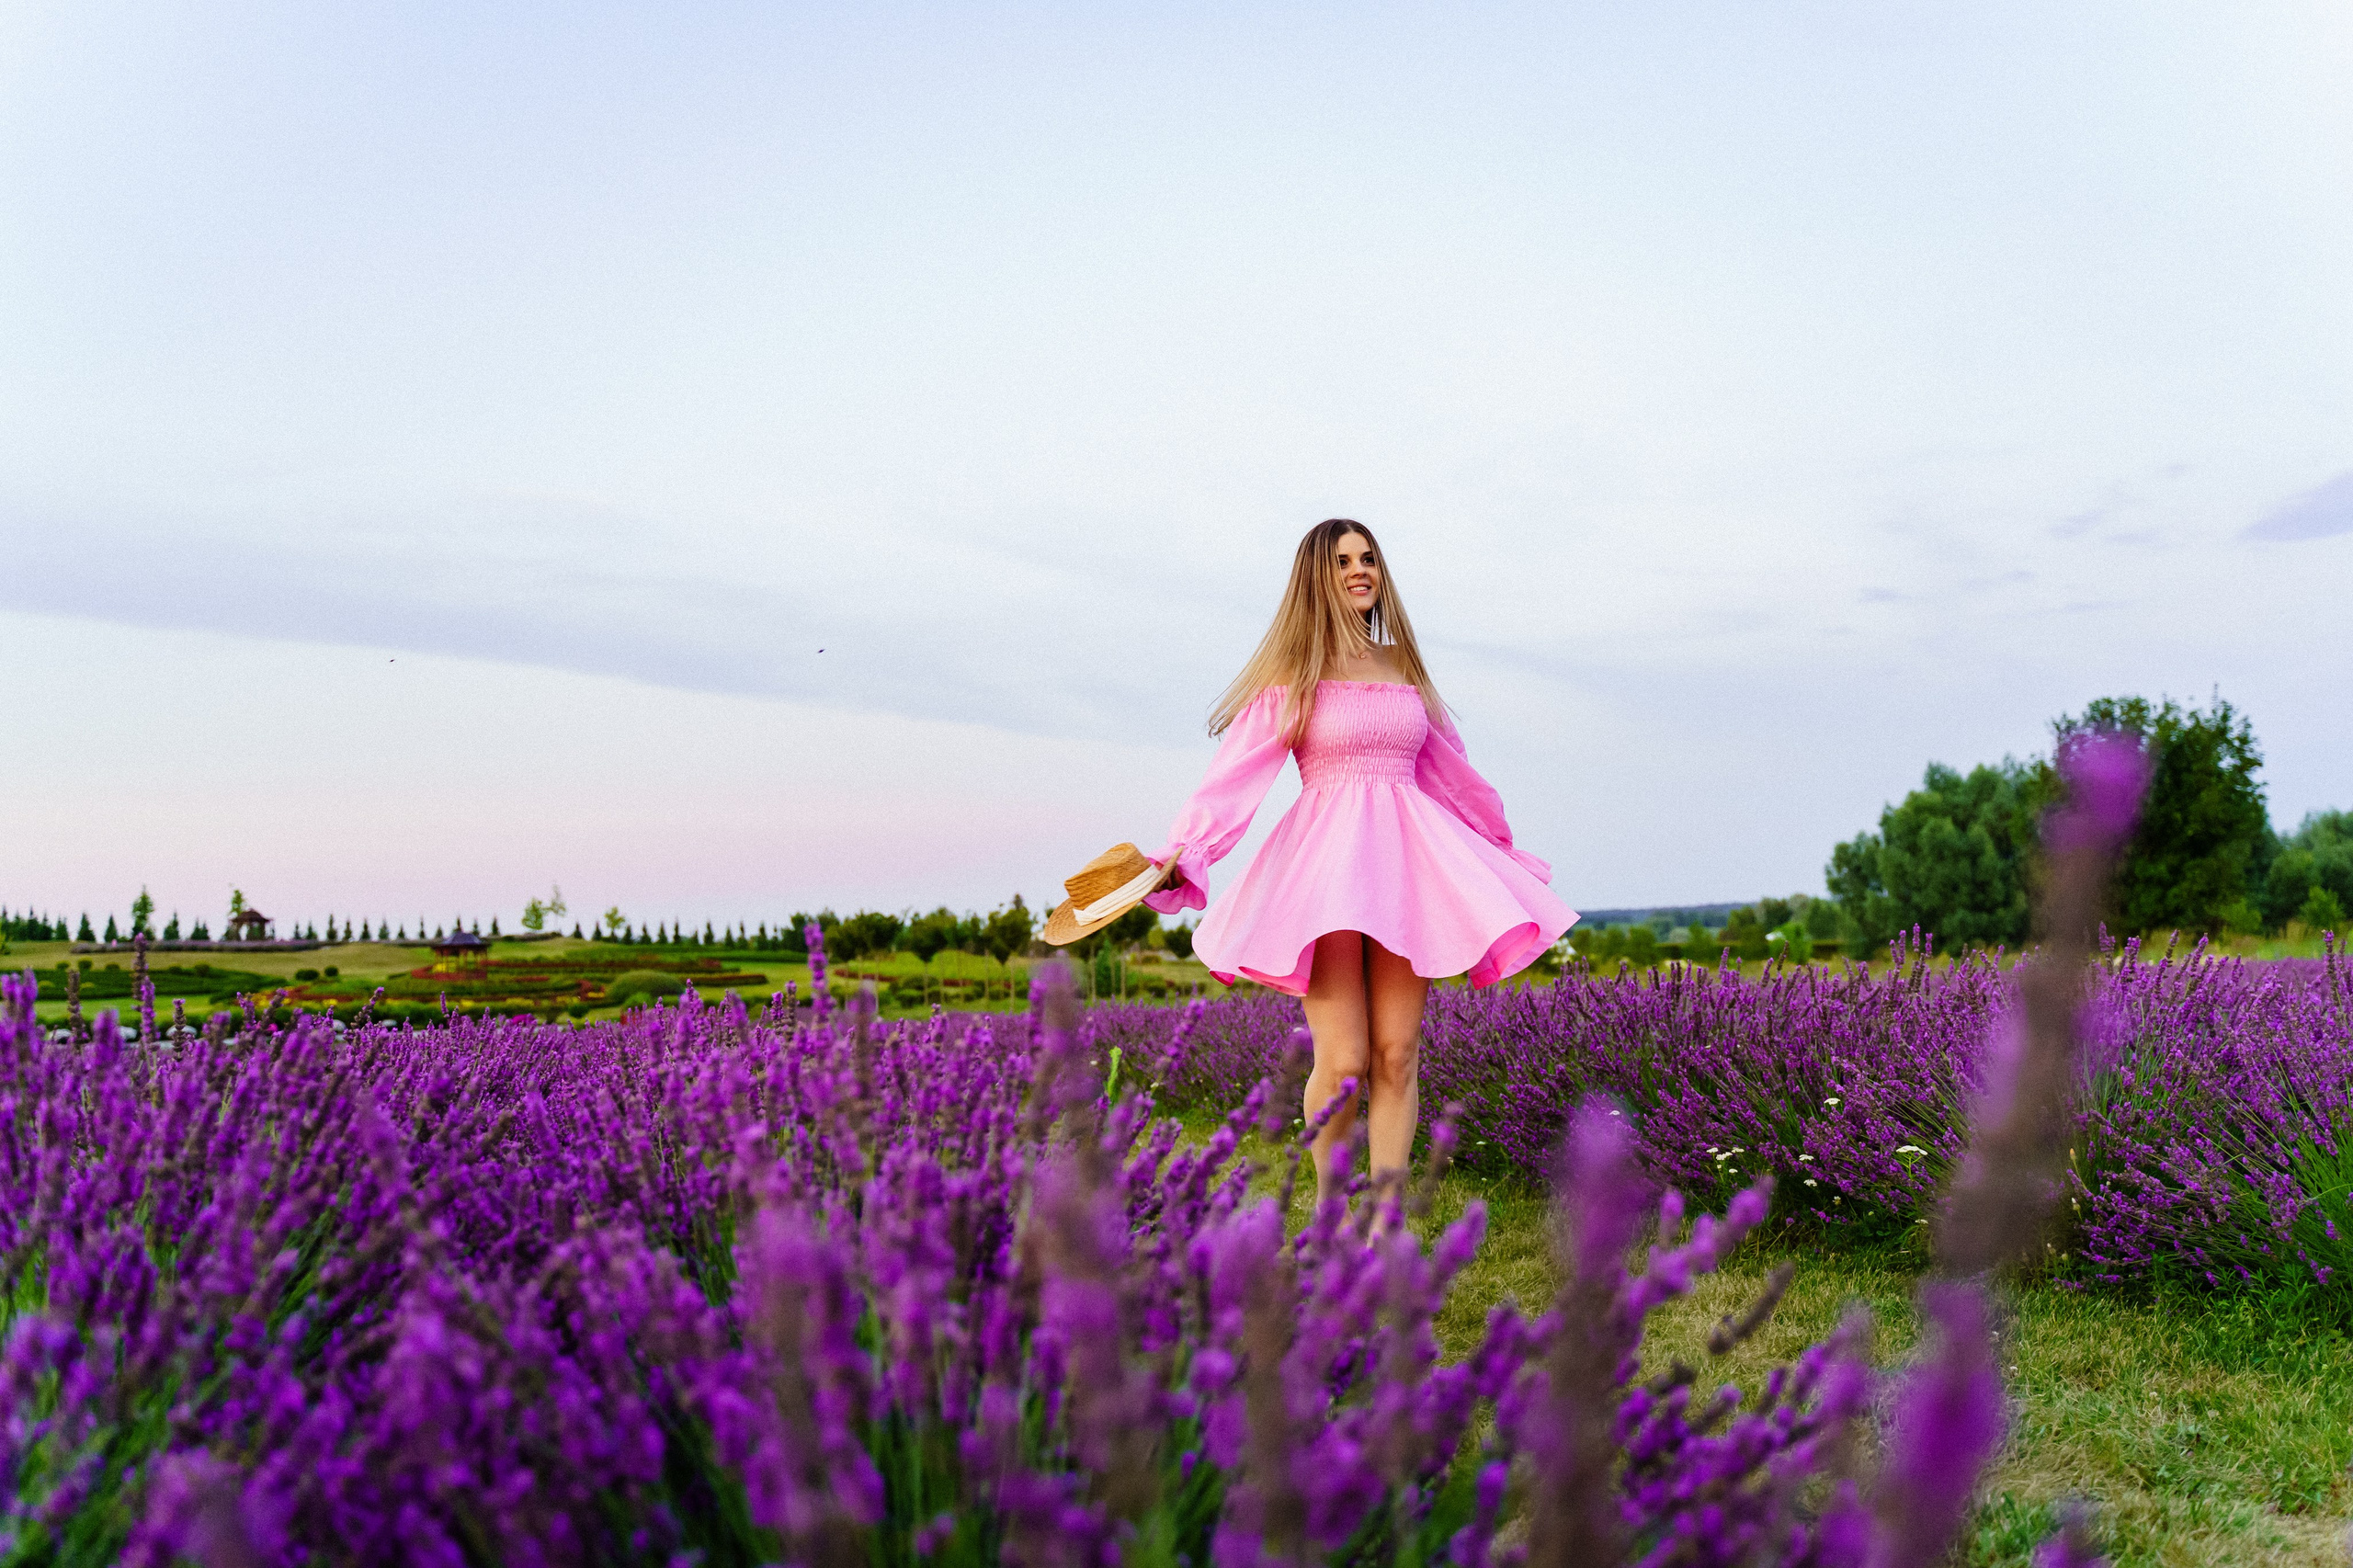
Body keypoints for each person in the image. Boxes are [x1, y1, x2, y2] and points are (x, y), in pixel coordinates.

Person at [1144, 518, 1576, 1201]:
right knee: (1344, 1062)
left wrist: (1496, 849)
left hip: (1409, 868)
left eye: (1368, 558)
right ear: (1317, 576)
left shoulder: (1402, 666)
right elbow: (1234, 778)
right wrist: (1185, 852)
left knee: (1397, 1056)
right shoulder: (1294, 676)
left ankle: (1384, 1224)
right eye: (1344, 560)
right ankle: (1330, 1208)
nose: (1360, 570)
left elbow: (1450, 771)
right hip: (1328, 874)